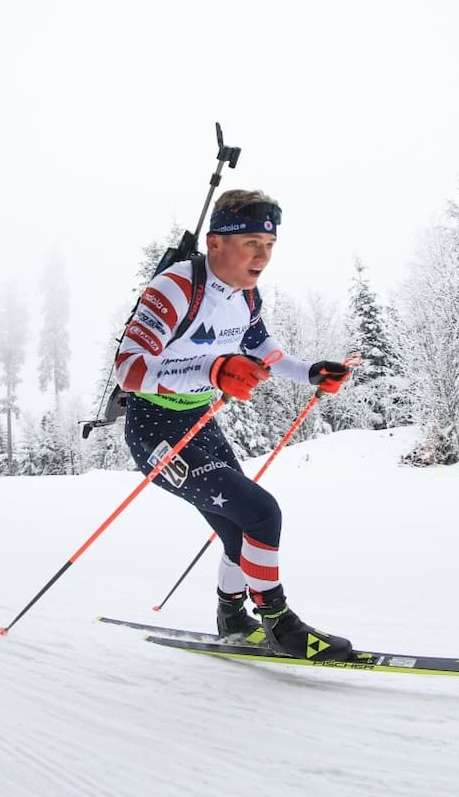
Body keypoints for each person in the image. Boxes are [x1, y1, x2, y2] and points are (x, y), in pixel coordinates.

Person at [114, 189, 355, 662]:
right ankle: (281, 626)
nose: (263, 257)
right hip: (155, 430)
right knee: (262, 512)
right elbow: (128, 369)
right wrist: (213, 370)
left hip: (198, 420)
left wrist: (310, 372)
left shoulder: (247, 295)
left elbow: (263, 347)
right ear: (216, 243)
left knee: (238, 528)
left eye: (269, 246)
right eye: (250, 243)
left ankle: (232, 616)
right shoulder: (177, 287)